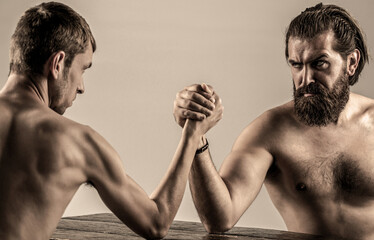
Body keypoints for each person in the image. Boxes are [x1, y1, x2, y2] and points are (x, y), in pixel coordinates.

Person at [0, 2, 223, 240]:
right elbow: (155, 222)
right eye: (83, 69)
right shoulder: (78, 142)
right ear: (57, 64)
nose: (81, 87)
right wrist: (192, 135)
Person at [173, 3, 372, 239]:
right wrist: (196, 136)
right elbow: (219, 219)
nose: (306, 79)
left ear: (351, 63)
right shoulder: (270, 131)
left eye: (320, 63)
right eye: (296, 65)